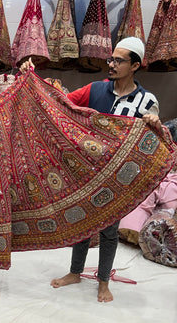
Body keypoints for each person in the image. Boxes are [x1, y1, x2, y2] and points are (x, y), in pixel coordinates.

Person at [21, 37, 162, 302]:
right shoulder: (96, 89)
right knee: (81, 223)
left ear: (135, 66)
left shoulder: (146, 102)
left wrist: (154, 121)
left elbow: (153, 143)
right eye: (111, 59)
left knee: (109, 232)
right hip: (86, 174)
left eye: (118, 61)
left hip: (119, 180)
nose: (111, 64)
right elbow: (58, 102)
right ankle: (75, 272)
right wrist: (32, 79)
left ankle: (103, 282)